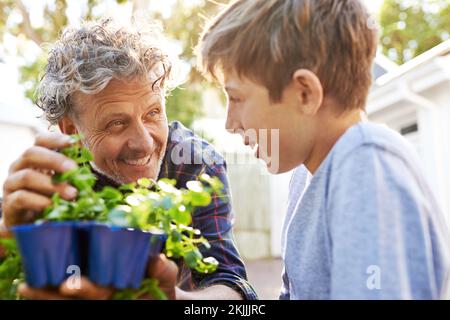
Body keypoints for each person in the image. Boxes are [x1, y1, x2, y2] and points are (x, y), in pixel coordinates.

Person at [196, 0, 450, 299]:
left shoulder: (365, 166)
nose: (230, 123)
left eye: (236, 98)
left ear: (305, 93)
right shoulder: (306, 177)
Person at [0, 18, 257, 300]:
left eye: (153, 113)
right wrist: (9, 237)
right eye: (116, 124)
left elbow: (232, 288)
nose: (145, 144)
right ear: (71, 130)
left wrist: (175, 299)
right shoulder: (49, 176)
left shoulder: (196, 166)